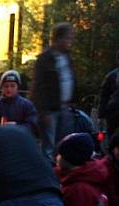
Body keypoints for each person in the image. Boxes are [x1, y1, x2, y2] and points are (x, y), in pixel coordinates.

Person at [32, 23, 76, 161]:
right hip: (50, 110)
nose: (69, 42)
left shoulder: (67, 57)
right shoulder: (44, 59)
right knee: (48, 146)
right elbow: (38, 86)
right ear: (58, 39)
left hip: (65, 106)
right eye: (67, 38)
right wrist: (43, 111)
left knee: (64, 143)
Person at [0, 70, 38, 135]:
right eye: (6, 86)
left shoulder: (27, 105)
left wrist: (17, 127)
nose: (9, 89)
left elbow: (32, 125)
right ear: (1, 87)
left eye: (12, 86)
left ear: (17, 87)